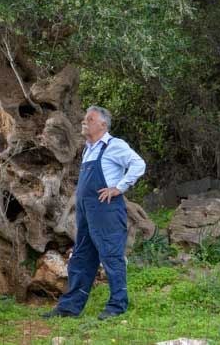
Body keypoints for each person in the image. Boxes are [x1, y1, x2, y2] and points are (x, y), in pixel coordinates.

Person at [41, 105, 146, 320]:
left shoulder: (114, 145)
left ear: (102, 124)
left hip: (106, 210)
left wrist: (119, 187)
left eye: (89, 119)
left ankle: (117, 306)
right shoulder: (90, 148)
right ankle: (69, 308)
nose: (84, 121)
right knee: (81, 256)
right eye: (85, 118)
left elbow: (138, 164)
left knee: (111, 256)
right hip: (87, 212)